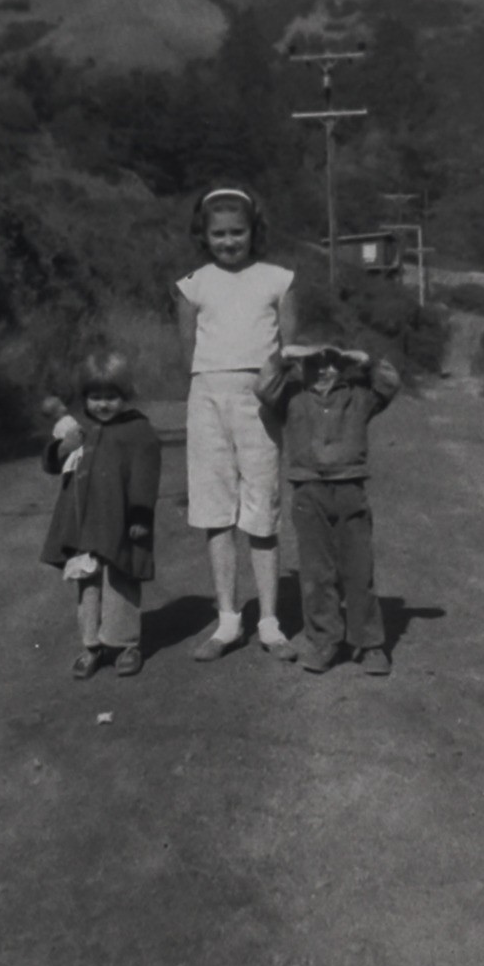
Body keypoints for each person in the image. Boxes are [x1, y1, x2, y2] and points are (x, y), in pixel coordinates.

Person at [174, 185, 297, 661]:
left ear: (253, 231)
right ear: (204, 235)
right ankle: (228, 620)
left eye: (237, 232)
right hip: (207, 398)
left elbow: (290, 347)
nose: (229, 242)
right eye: (218, 234)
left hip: (260, 401)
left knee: (261, 507)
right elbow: (188, 351)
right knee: (215, 509)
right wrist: (206, 390)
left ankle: (269, 621)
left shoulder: (278, 279)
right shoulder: (192, 285)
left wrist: (275, 380)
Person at [254, 341, 400, 674]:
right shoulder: (291, 395)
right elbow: (262, 388)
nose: (324, 371)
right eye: (314, 364)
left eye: (332, 363)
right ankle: (324, 642)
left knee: (359, 572)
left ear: (343, 366)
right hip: (308, 492)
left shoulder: (359, 397)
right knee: (316, 574)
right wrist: (283, 357)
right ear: (302, 368)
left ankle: (371, 644)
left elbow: (389, 384)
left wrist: (367, 358)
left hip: (350, 490)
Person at [40, 350, 162, 679]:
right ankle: (91, 644)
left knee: (119, 578)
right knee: (87, 582)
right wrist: (62, 447)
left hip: (120, 520)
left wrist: (139, 516)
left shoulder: (138, 431)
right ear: (85, 399)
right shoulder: (82, 430)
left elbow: (145, 475)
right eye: (95, 397)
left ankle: (125, 644)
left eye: (111, 397)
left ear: (125, 396)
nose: (103, 405)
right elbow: (54, 464)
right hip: (83, 522)